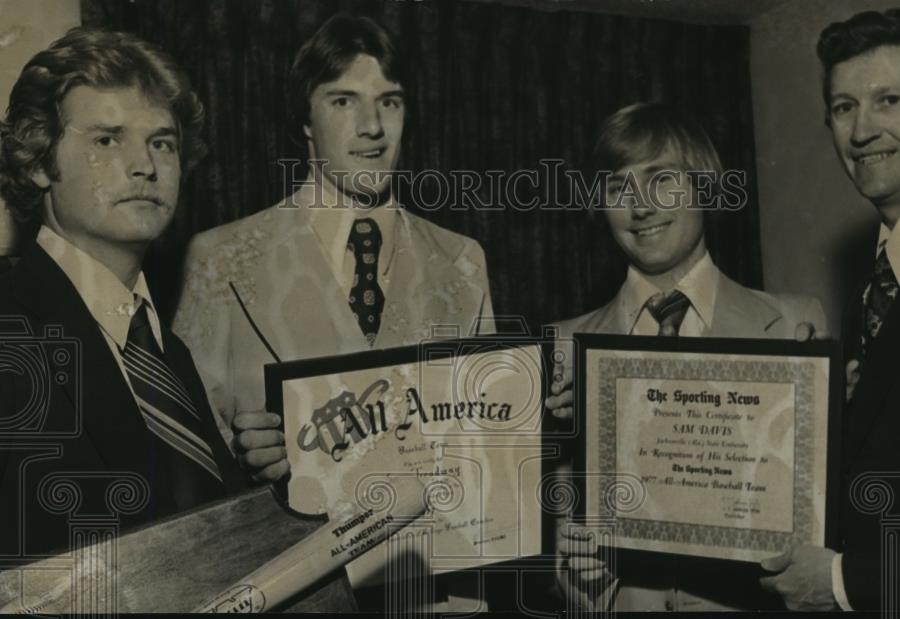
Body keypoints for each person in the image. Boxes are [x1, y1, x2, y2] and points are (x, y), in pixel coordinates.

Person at [172, 14, 493, 610]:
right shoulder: (222, 258)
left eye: (389, 102)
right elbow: (183, 471)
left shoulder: (463, 263)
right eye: (343, 100)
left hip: (428, 594)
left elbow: (483, 462)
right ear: (305, 121)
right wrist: (245, 462)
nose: (372, 127)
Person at [547, 102, 827, 611]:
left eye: (661, 180)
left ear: (704, 185)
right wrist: (582, 570)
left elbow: (820, 540)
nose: (640, 207)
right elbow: (568, 563)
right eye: (617, 187)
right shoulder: (566, 348)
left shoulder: (794, 326)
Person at [759, 8, 900, 612]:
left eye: (889, 99)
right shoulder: (884, 268)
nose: (860, 131)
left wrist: (843, 582)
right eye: (843, 107)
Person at [0, 27, 245, 560]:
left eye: (162, 141)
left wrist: (252, 487)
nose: (146, 165)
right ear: (40, 162)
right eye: (106, 140)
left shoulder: (161, 347)